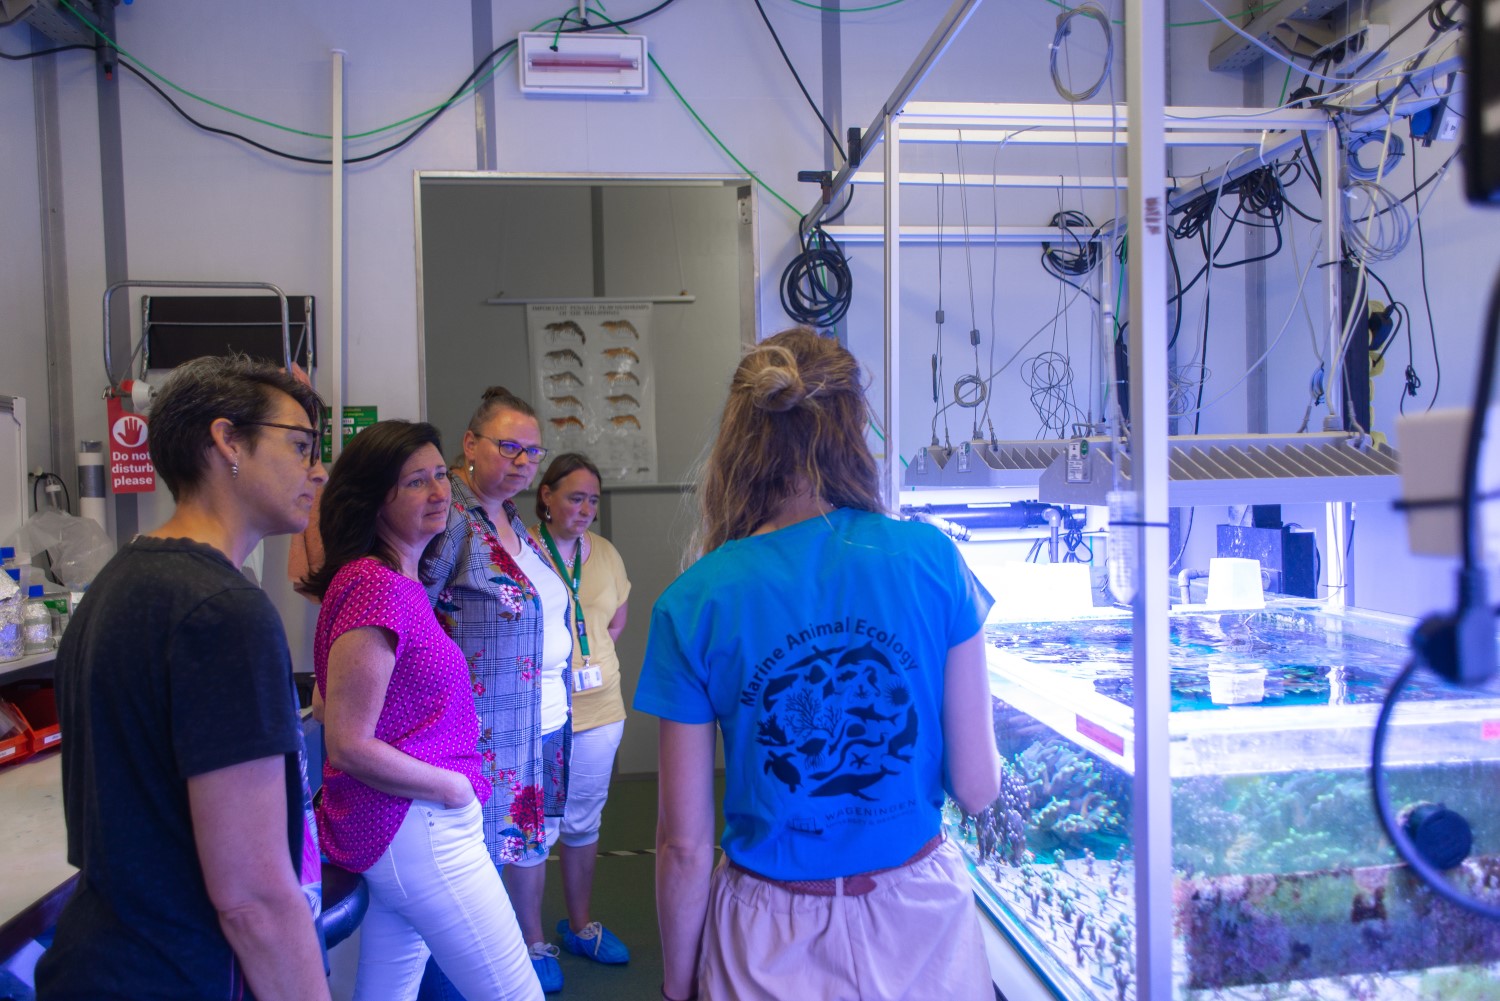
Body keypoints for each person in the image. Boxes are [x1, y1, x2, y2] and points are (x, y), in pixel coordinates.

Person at [634, 328, 1002, 1001]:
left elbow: (683, 846)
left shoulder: (694, 600)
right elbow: (977, 787)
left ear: (738, 439)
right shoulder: (930, 559)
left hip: (768, 936)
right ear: (855, 426)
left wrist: (679, 983)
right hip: (920, 919)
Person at [37, 356, 331, 1000]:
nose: (317, 470)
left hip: (102, 961)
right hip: (177, 972)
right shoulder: (223, 610)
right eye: (301, 445)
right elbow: (251, 899)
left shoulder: (121, 583)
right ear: (227, 440)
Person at [301, 420, 542, 1001]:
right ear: (374, 500)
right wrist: (454, 789)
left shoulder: (393, 580)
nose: (439, 493)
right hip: (419, 825)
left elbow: (338, 705)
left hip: (409, 824)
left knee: (388, 993)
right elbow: (347, 742)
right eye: (415, 482)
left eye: (440, 475)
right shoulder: (376, 586)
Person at [424, 386, 573, 994]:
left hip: (539, 726)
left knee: (520, 855)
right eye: (508, 446)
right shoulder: (451, 519)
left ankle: (514, 951)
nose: (520, 462)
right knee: (468, 884)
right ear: (469, 444)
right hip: (480, 737)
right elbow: (413, 617)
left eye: (532, 453)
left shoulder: (513, 519)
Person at [528, 453, 632, 967]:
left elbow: (615, 621)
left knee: (584, 821)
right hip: (539, 714)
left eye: (592, 498)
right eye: (575, 497)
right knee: (536, 830)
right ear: (546, 496)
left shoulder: (606, 553)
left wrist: (587, 660)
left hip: (600, 708)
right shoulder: (520, 549)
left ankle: (579, 925)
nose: (586, 507)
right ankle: (530, 942)